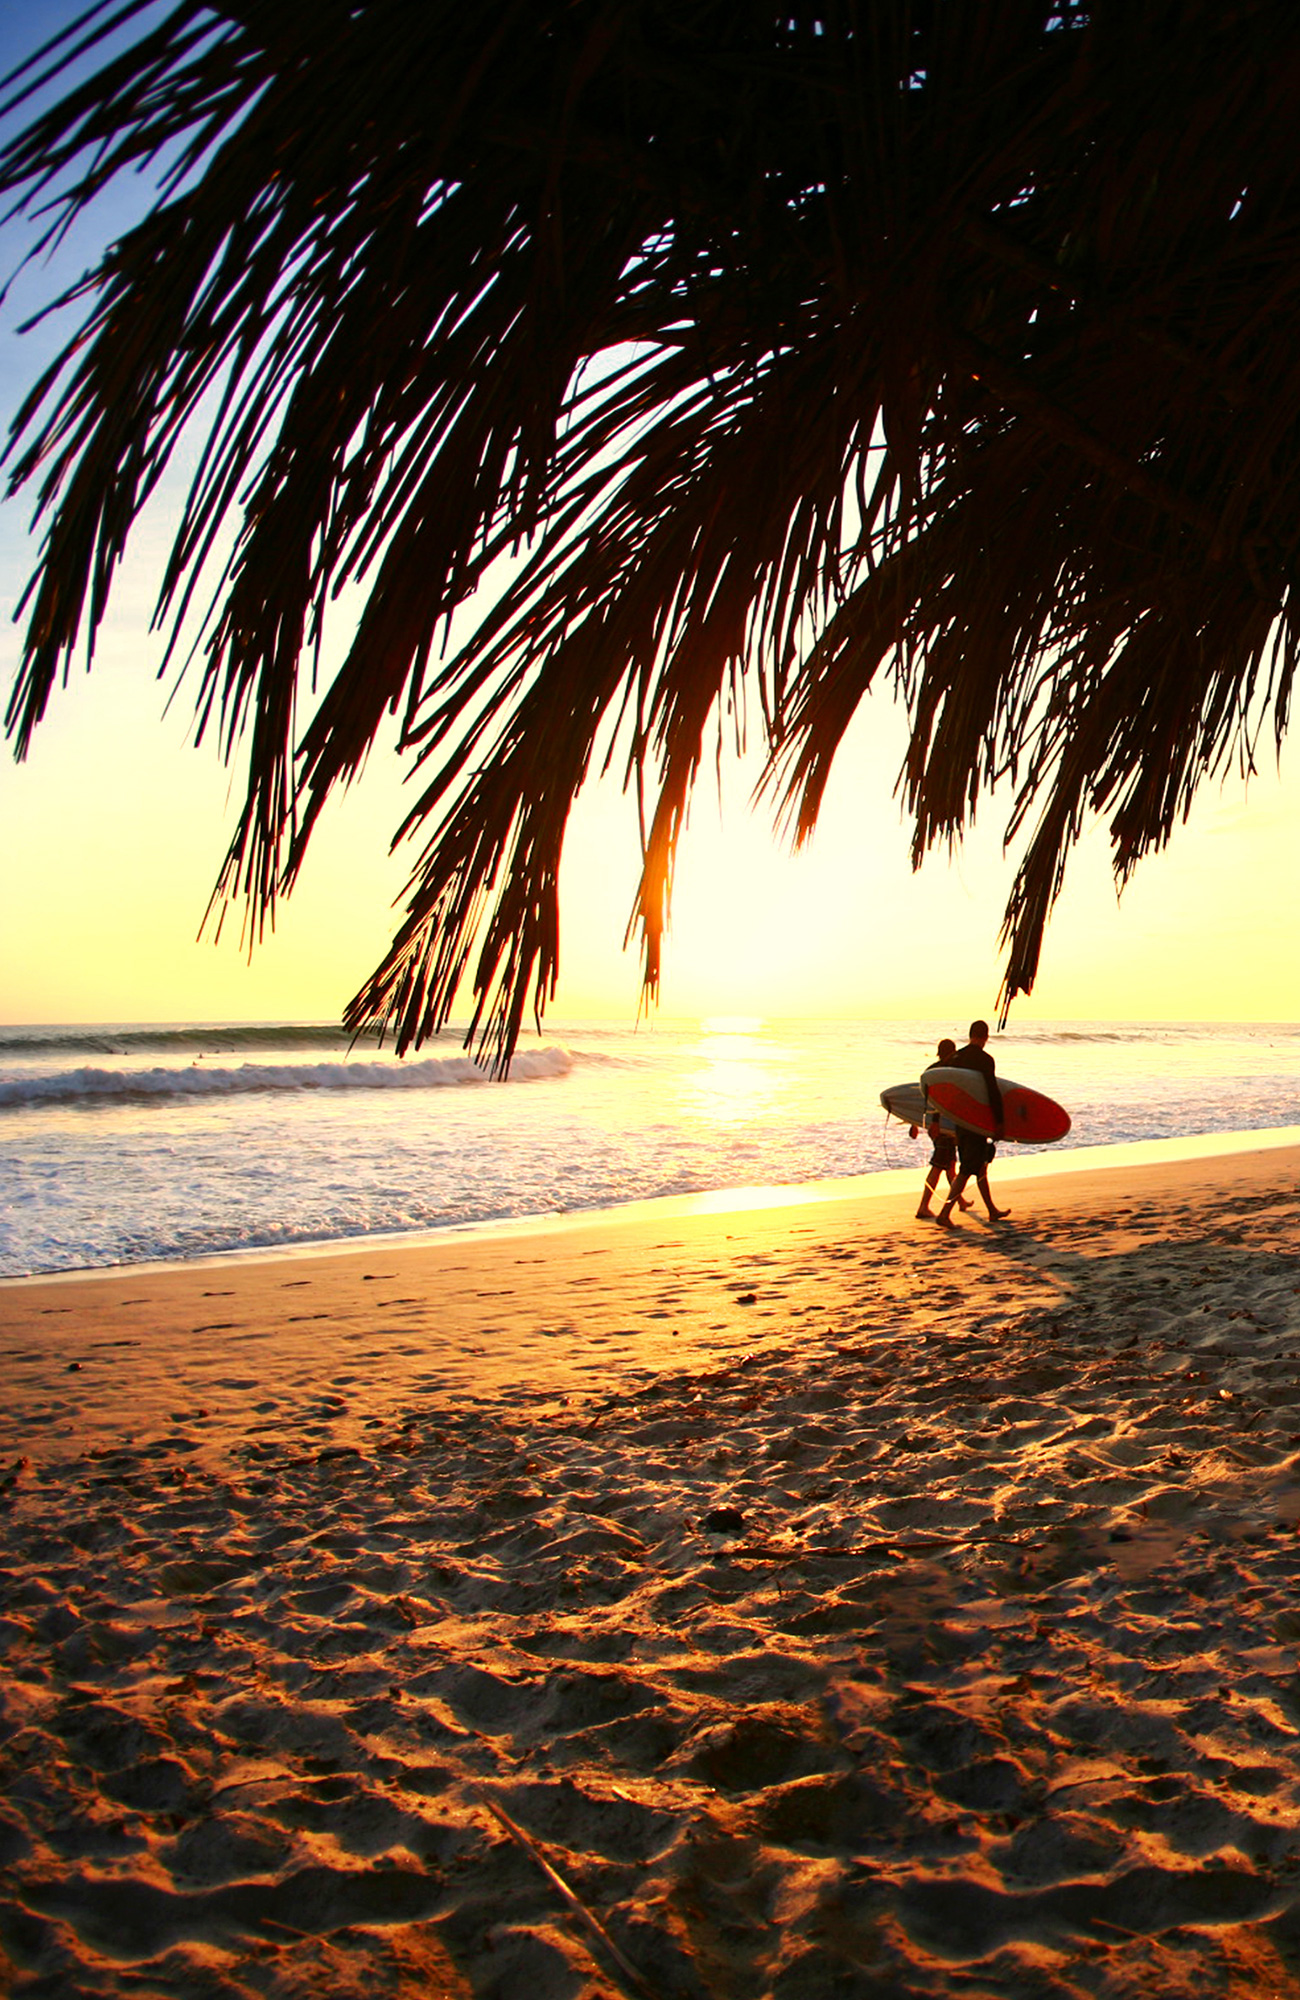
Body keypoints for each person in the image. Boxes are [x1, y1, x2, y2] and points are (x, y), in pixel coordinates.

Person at [935, 1020, 1010, 1226]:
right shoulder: (985, 1060)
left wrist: (942, 1117)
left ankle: (992, 1210)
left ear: (970, 1035)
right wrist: (1000, 1122)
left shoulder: (957, 1057)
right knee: (968, 1168)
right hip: (977, 1121)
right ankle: (944, 1213)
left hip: (960, 1119)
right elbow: (992, 1091)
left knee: (980, 1166)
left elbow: (938, 1078)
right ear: (986, 1037)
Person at [915, 1037, 972, 1219]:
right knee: (938, 1166)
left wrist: (914, 1123)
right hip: (941, 1126)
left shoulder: (930, 1070)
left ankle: (960, 1201)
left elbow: (919, 1099)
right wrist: (936, 1123)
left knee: (949, 1165)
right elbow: (939, 1101)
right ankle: (923, 1206)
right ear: (952, 1053)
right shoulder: (945, 1072)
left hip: (938, 1125)